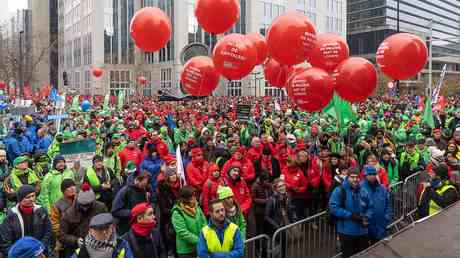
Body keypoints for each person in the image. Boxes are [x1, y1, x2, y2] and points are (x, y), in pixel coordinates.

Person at [328, 168, 373, 258]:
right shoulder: (339, 190)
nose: (355, 179)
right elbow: (333, 207)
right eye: (352, 177)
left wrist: (367, 216)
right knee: (347, 255)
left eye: (357, 177)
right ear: (347, 177)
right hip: (346, 232)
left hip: (362, 231)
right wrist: (351, 215)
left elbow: (370, 206)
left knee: (363, 255)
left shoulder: (363, 190)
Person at [0, 185, 53, 256]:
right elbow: (5, 241)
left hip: (39, 252)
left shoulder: (41, 211)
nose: (31, 199)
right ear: (20, 199)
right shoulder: (11, 216)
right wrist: (16, 254)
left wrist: (41, 246)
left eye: (33, 196)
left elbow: (48, 231)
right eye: (28, 197)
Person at [60, 183, 107, 258]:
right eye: (83, 205)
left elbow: (108, 225)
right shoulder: (69, 214)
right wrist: (76, 240)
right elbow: (62, 235)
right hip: (77, 250)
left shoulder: (101, 208)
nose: (85, 208)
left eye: (87, 205)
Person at [171, 186, 207, 258]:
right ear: (185, 198)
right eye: (192, 196)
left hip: (199, 247)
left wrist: (205, 236)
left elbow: (204, 222)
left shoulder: (197, 207)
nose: (194, 198)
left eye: (194, 195)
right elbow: (182, 232)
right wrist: (199, 240)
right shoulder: (177, 212)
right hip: (186, 251)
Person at [111, 169, 151, 235]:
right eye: (143, 184)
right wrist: (133, 212)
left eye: (145, 185)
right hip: (127, 228)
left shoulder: (142, 189)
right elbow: (115, 211)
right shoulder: (125, 191)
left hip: (140, 225)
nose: (144, 187)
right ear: (137, 180)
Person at [360, 166, 392, 244]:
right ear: (365, 175)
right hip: (366, 227)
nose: (372, 176)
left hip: (381, 225)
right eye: (369, 174)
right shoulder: (360, 188)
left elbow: (388, 204)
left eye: (374, 174)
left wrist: (387, 216)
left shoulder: (382, 188)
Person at [50, 179, 77, 258]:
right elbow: (54, 224)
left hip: (80, 237)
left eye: (73, 186)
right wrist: (63, 234)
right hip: (65, 240)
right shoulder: (57, 205)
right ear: (63, 191)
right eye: (68, 187)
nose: (72, 188)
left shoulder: (81, 200)